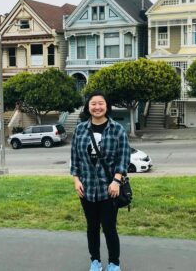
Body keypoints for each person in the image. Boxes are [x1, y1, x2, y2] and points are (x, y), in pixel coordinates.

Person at [70, 91, 131, 271]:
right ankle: (95, 261)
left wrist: (116, 181)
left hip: (109, 188)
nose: (97, 107)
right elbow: (75, 157)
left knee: (109, 228)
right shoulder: (80, 129)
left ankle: (114, 263)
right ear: (88, 107)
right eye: (93, 104)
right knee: (92, 228)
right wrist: (76, 180)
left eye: (101, 103)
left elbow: (124, 157)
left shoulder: (117, 129)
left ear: (107, 106)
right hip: (86, 188)